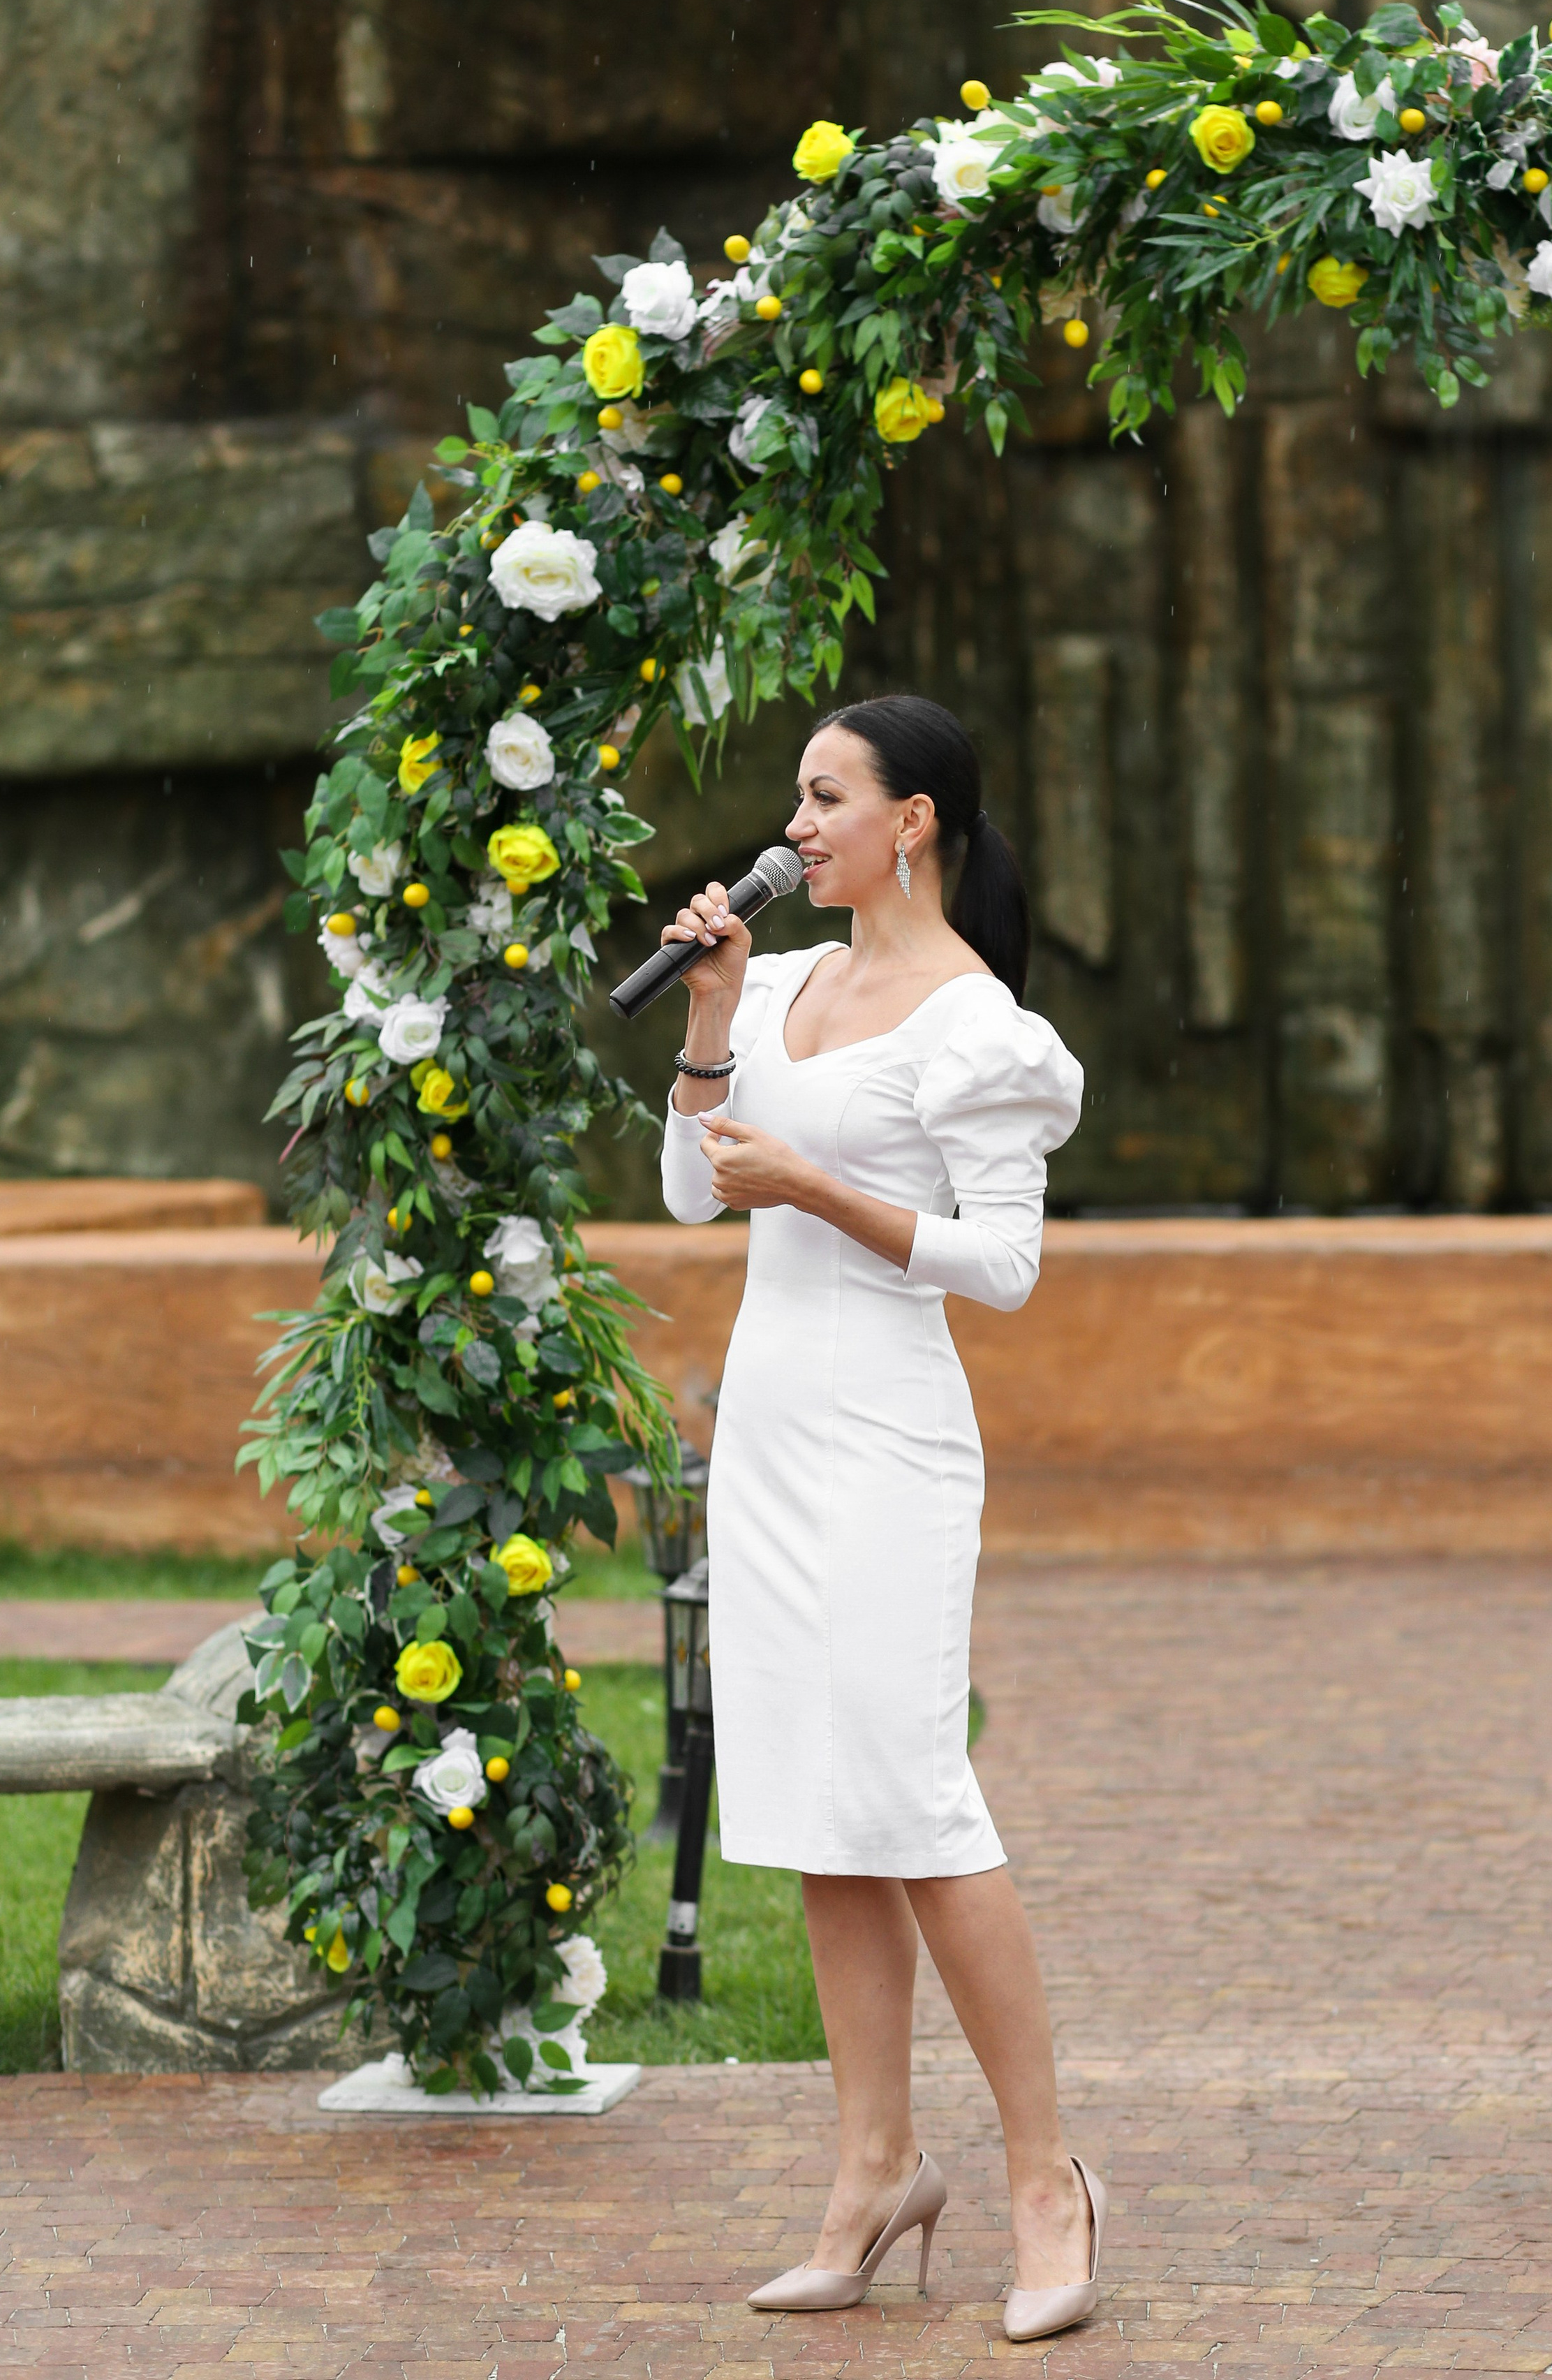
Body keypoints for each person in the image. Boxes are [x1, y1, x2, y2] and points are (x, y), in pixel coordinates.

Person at [657, 692, 1104, 2342]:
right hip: (769, 1426)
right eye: (796, 797)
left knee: (914, 1798)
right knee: (819, 1806)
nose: (797, 825)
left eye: (826, 797)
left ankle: (1045, 2183)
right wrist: (710, 1018)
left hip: (891, 1437)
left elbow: (1001, 1262)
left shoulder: (973, 1024)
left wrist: (828, 1188)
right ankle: (871, 2170)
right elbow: (691, 1190)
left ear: (910, 820)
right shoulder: (776, 980)